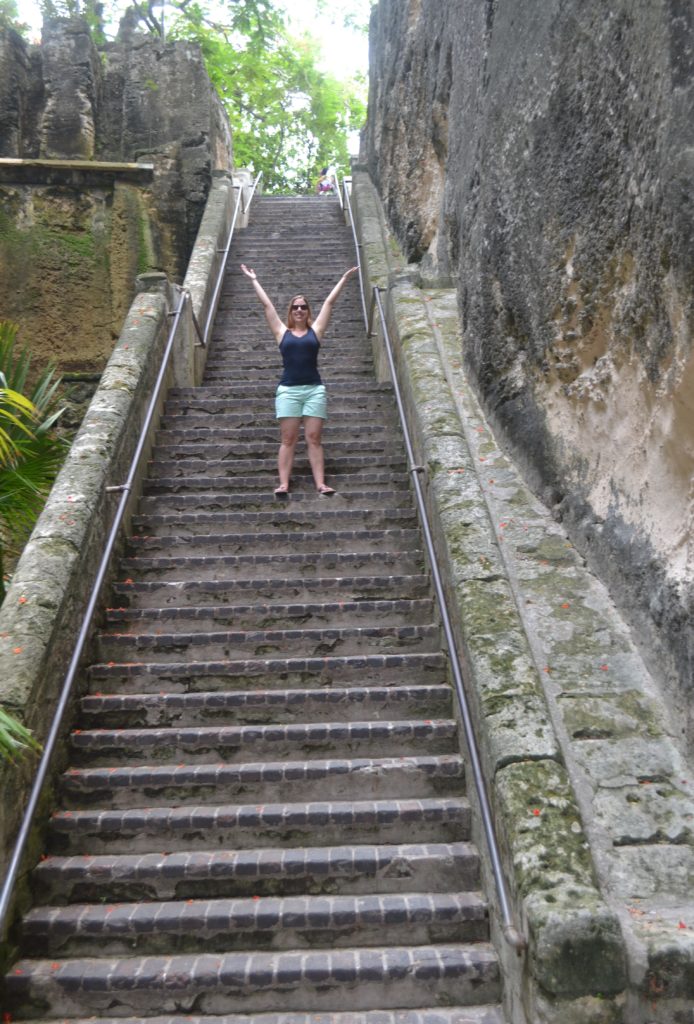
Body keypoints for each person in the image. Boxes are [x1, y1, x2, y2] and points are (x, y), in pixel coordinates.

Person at [240, 263, 359, 496]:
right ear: (291, 311)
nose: (299, 310)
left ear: (308, 311)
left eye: (303, 307)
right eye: (295, 306)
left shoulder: (316, 331)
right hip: (288, 390)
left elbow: (329, 303)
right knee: (288, 438)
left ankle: (321, 484)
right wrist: (253, 280)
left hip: (314, 389)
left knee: (314, 438)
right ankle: (284, 483)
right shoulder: (281, 332)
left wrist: (344, 278)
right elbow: (267, 306)